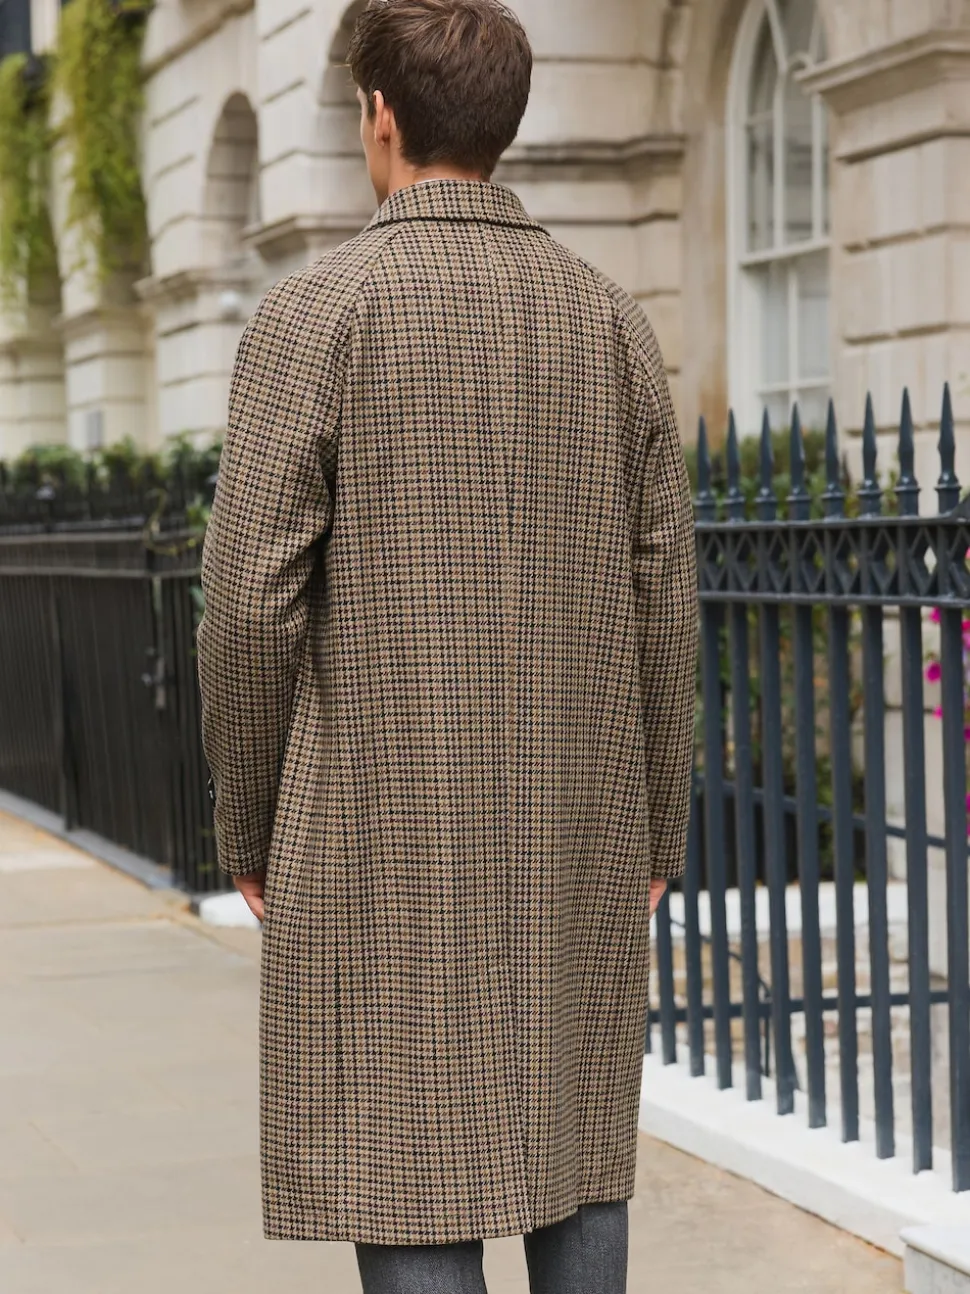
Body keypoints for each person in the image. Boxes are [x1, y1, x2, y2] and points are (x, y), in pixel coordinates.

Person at [196, 0, 698, 1290]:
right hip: (574, 812)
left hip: (375, 821)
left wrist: (249, 822)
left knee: (404, 1150)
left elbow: (248, 602)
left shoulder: (310, 319)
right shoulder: (607, 322)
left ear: (381, 116)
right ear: (501, 122)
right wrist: (660, 821)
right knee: (574, 1130)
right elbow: (665, 597)